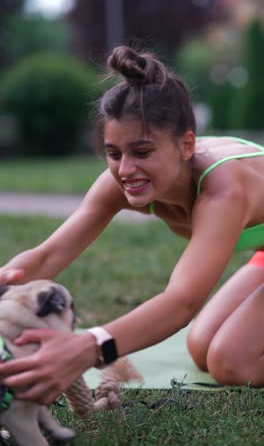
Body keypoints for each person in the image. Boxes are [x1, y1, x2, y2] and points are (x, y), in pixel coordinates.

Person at [0, 46, 263, 406]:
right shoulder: (125, 181)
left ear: (186, 145)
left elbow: (182, 301)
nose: (125, 169)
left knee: (231, 361)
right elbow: (48, 255)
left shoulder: (224, 190)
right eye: (113, 153)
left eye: (142, 152)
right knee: (201, 348)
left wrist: (92, 345)